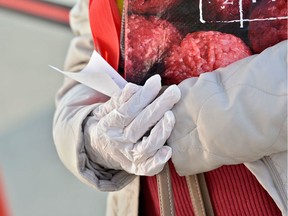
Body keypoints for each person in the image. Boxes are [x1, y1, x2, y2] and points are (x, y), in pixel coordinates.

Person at [52, 0, 287, 215]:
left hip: (262, 197)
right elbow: (91, 45)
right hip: (153, 198)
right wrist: (90, 133)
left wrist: (171, 122)